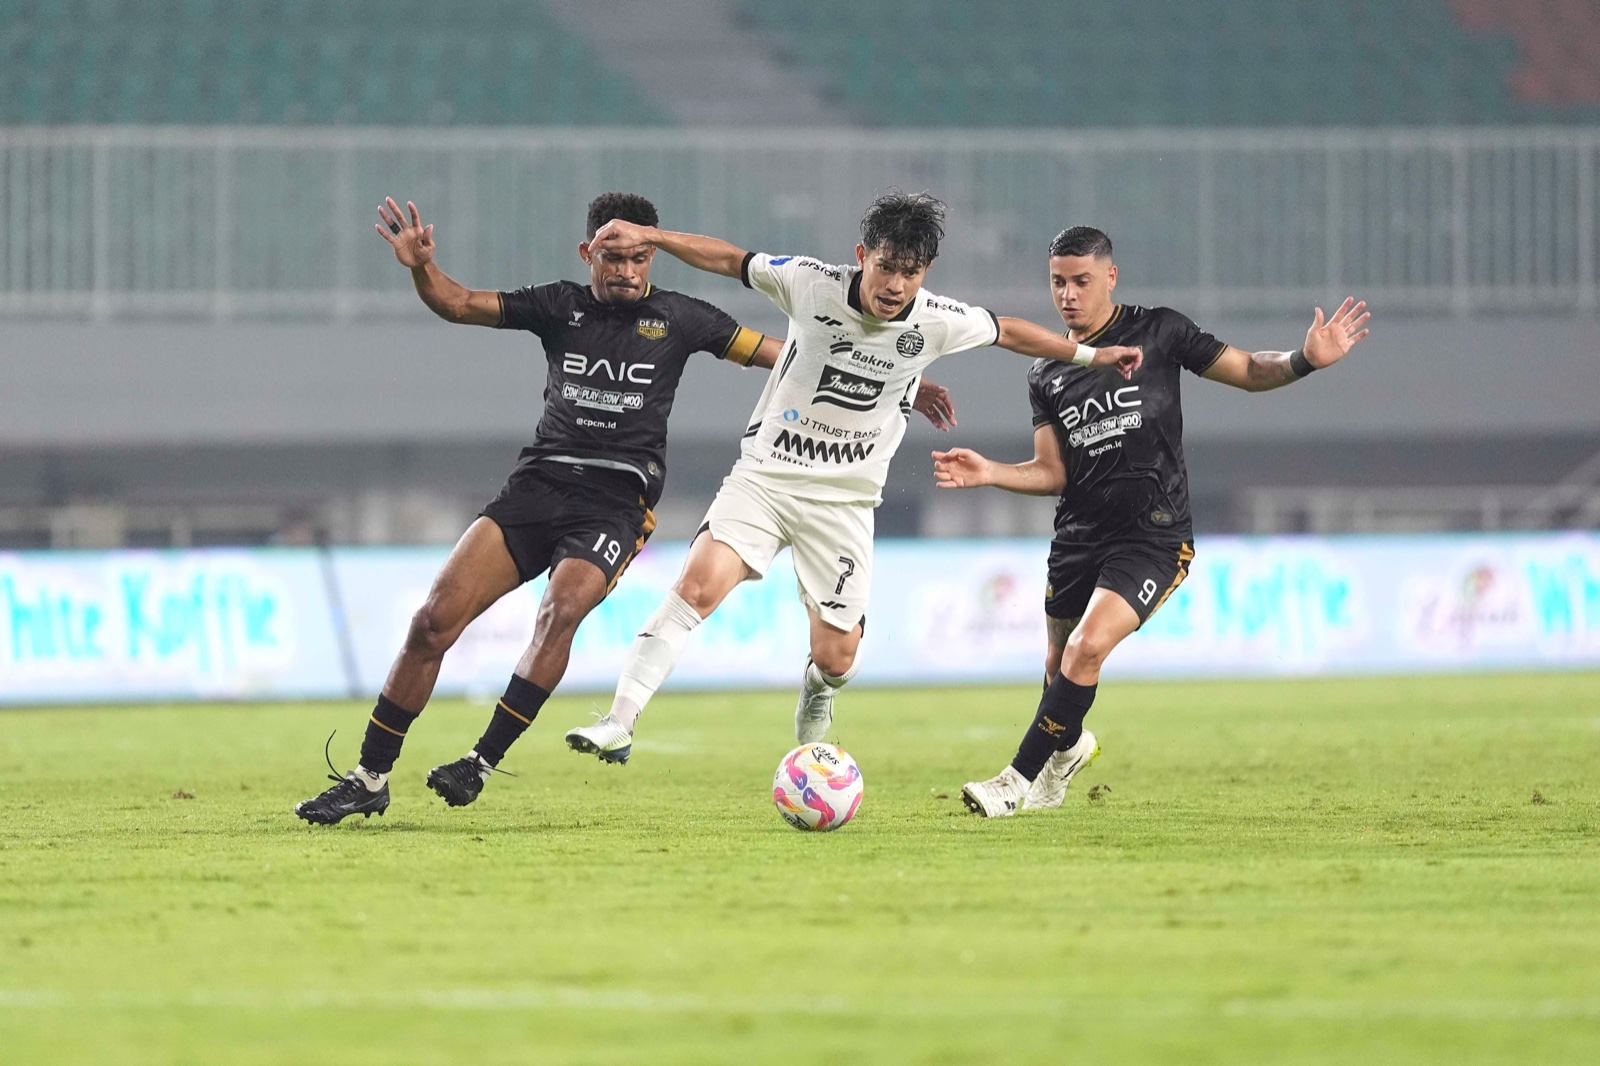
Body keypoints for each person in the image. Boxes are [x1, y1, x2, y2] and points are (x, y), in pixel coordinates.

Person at [561, 192, 1144, 766]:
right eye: (886, 267)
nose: (895, 285)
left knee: (837, 657)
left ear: (925, 273)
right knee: (696, 588)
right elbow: (728, 259)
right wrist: (656, 238)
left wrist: (1094, 358)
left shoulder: (937, 320)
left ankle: (818, 688)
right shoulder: (810, 283)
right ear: (862, 255)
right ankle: (619, 720)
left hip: (844, 502)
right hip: (766, 480)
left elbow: (1011, 331)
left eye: (909, 273)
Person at [936, 226, 1371, 817]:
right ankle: (1065, 756)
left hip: (1154, 536)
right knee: (1057, 671)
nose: (1067, 295)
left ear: (1110, 277)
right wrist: (990, 472)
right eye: (1058, 283)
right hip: (1077, 538)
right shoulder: (1046, 372)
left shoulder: (1161, 331)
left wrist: (1302, 361)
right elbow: (1051, 473)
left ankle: (1014, 782)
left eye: (1081, 282)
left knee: (1086, 650)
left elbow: (1247, 369)